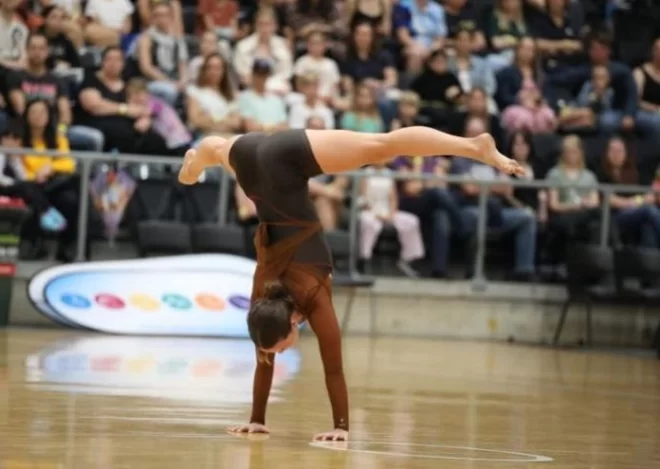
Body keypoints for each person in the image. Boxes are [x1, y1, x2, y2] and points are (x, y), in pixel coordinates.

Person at [176, 126, 523, 442]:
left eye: (279, 347)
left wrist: (341, 427)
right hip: (249, 160)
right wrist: (257, 420)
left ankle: (474, 146)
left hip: (284, 162)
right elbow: (263, 360)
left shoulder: (312, 298)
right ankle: (195, 163)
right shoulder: (262, 298)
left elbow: (334, 370)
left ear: (291, 324)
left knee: (381, 147)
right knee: (218, 149)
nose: (278, 353)